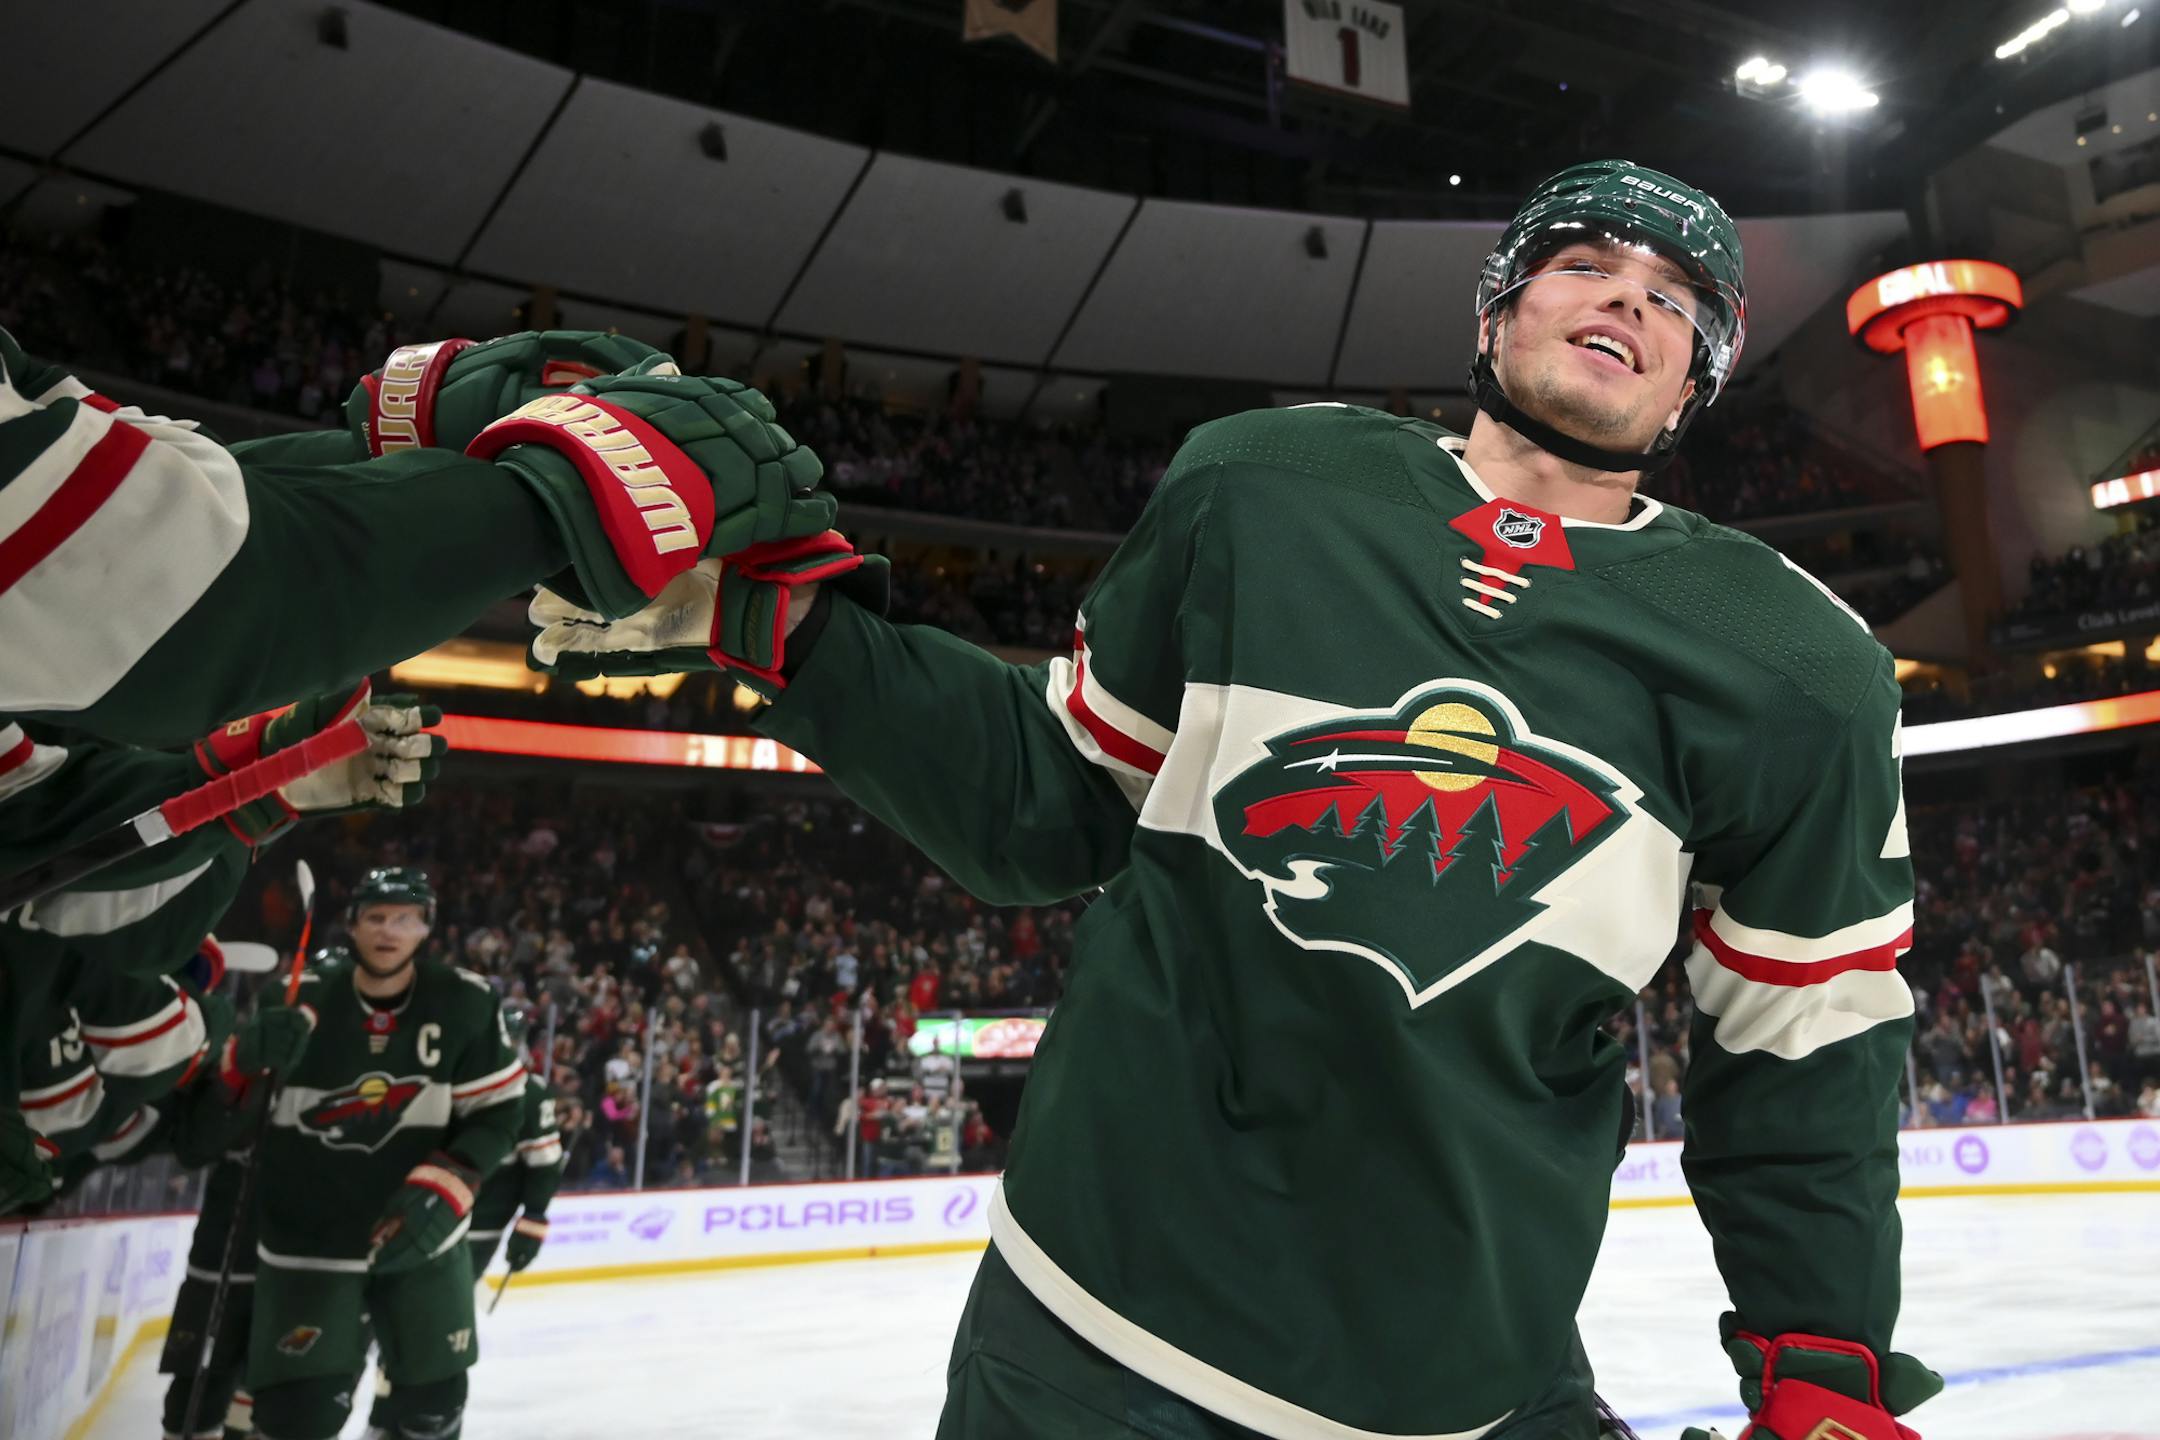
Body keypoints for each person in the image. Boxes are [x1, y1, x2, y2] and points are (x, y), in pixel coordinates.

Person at [532, 162, 1940, 1439]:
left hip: (1453, 1377)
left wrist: (1823, 1358)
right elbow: (1051, 802)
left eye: (1677, 298)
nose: (1629, 297)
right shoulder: (1262, 484)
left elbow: (1804, 1036)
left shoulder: (1800, 667)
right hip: (1090, 1330)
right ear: (1498, 308)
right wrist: (790, 632)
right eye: (1585, 262)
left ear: (1699, 374)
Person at [244, 868, 524, 1440]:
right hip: (310, 1243)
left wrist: (453, 1177)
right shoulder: (296, 998)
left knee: (433, 1406)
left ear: (426, 929)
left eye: (405, 918)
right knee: (296, 1415)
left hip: (419, 1238)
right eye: (375, 916)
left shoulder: (465, 1002)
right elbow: (233, 1113)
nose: (389, 931)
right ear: (352, 926)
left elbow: (498, 1113)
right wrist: (244, 1064)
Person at [364, 1001, 563, 1436]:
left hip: (475, 1227)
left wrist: (533, 1219)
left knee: (428, 1324)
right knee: (397, 1318)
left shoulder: (528, 1094)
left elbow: (544, 1163)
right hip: (421, 1216)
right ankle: (388, 1412)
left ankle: (416, 1418)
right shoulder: (449, 1083)